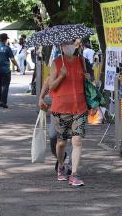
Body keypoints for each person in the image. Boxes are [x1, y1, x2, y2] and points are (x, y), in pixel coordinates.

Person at [49, 40, 90, 186]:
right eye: (66, 44)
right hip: (61, 108)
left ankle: (74, 174)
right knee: (61, 142)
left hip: (80, 107)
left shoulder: (82, 61)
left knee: (77, 140)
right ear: (61, 46)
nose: (69, 46)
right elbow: (51, 86)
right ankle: (61, 166)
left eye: (71, 43)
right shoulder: (56, 62)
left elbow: (88, 82)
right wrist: (61, 76)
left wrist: (88, 79)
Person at [39, 77, 72, 175]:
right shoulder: (59, 64)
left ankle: (71, 166)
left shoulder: (81, 63)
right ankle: (61, 157)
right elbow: (48, 80)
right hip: (57, 108)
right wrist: (41, 97)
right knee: (53, 136)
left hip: (76, 108)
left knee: (74, 139)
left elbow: (88, 81)